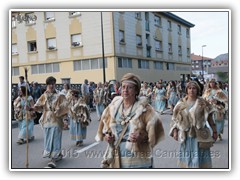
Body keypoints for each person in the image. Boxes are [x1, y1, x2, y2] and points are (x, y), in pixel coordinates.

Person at [95, 73, 164, 168]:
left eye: (129, 87)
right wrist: (107, 136)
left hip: (139, 158)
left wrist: (142, 137)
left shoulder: (145, 109)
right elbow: (105, 127)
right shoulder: (113, 107)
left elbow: (156, 131)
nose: (125, 90)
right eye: (123, 87)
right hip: (117, 156)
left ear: (136, 90)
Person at [169, 81, 218, 168]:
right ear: (187, 90)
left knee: (200, 158)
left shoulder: (203, 103)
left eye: (194, 88)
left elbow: (210, 118)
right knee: (187, 158)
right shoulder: (180, 103)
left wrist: (214, 131)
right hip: (186, 136)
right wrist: (175, 131)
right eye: (189, 88)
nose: (192, 90)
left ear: (197, 90)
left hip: (199, 135)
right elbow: (175, 119)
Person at [30, 76, 69, 168]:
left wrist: (65, 120)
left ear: (55, 84)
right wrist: (31, 108)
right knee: (48, 138)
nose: (52, 86)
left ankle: (53, 159)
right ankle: (58, 154)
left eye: (53, 84)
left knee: (55, 138)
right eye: (50, 84)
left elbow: (64, 109)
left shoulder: (60, 95)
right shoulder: (44, 95)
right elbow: (38, 106)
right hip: (46, 119)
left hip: (56, 119)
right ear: (47, 85)